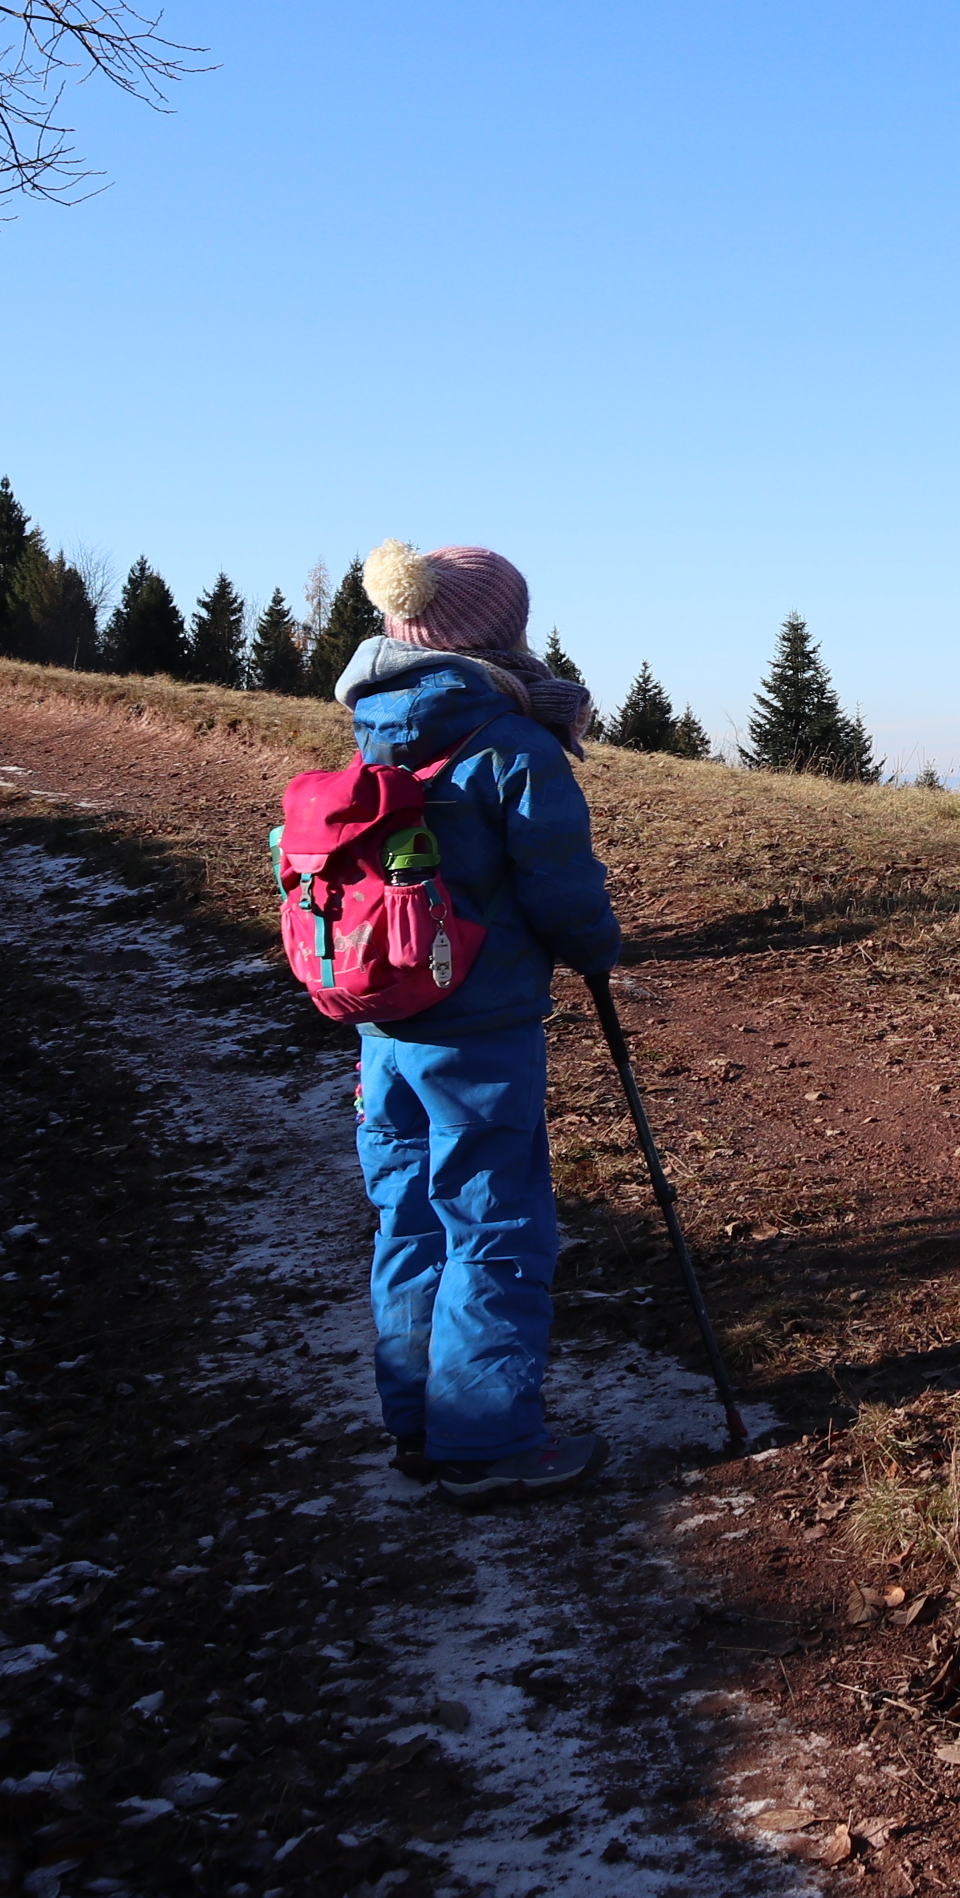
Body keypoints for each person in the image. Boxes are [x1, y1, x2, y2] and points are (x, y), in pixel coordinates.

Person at [335, 539, 622, 1501]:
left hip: (386, 1026)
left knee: (410, 1220)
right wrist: (596, 947)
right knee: (494, 1224)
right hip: (480, 1028)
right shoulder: (513, 747)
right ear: (499, 633)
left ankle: (420, 1425)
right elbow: (562, 887)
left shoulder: (375, 731)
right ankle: (486, 1442)